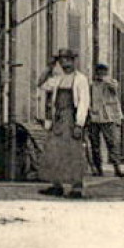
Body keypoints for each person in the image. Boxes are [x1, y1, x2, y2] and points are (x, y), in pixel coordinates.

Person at [37, 50, 91, 198]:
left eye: (68, 60)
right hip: (58, 118)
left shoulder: (81, 79)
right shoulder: (57, 78)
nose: (64, 63)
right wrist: (49, 66)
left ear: (74, 61)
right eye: (61, 60)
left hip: (71, 119)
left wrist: (79, 124)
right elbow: (41, 84)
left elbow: (83, 103)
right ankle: (57, 185)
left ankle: (77, 187)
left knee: (73, 152)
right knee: (54, 152)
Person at [86, 63, 124, 177]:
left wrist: (105, 79)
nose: (100, 75)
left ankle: (117, 167)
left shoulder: (111, 83)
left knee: (112, 143)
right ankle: (98, 168)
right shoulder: (92, 86)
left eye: (103, 72)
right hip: (95, 118)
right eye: (99, 72)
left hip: (110, 117)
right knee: (95, 145)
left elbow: (114, 88)